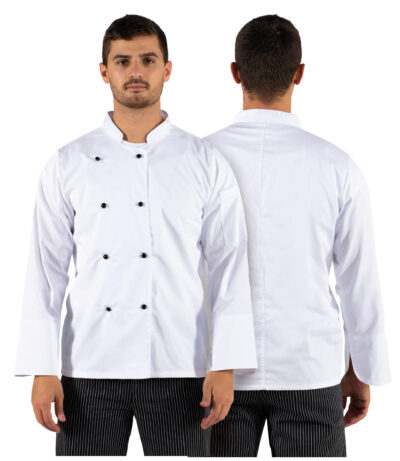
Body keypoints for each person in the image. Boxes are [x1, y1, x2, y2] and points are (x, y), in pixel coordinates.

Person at [13, 14, 258, 456]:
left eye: (148, 60)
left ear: (167, 69)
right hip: (88, 368)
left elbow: (229, 266)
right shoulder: (69, 162)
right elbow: (46, 272)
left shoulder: (203, 160)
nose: (136, 71)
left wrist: (226, 364)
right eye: (123, 61)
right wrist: (42, 368)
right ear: (104, 71)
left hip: (181, 367)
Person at [204, 14, 391, 457]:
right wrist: (361, 368)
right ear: (300, 73)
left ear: (235, 72)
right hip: (310, 368)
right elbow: (358, 280)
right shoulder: (338, 166)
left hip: (216, 371)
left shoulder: (198, 159)